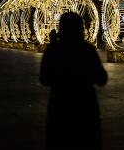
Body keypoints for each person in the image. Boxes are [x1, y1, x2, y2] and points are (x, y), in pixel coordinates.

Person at [40, 12, 108, 150]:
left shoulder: (53, 50)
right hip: (85, 108)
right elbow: (102, 79)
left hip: (60, 108)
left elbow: (44, 79)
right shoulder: (87, 50)